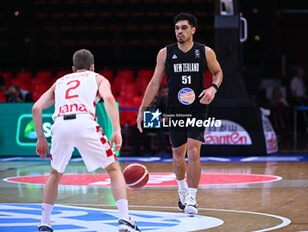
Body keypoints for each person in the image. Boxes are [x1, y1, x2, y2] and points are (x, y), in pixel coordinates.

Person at [32, 49, 140, 232]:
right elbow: (108, 98)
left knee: (55, 174)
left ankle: (44, 222)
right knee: (113, 169)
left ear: (73, 68)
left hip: (59, 125)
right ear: (92, 67)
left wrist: (41, 138)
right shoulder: (98, 78)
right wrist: (116, 130)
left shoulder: (59, 82)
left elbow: (36, 108)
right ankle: (124, 219)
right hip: (84, 121)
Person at [136, 12, 223, 215]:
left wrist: (212, 89)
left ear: (193, 30)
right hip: (174, 110)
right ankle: (182, 189)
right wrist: (142, 108)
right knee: (177, 155)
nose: (180, 31)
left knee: (194, 151)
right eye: (177, 28)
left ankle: (192, 197)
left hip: (197, 109)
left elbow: (218, 72)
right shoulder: (165, 53)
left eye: (184, 28)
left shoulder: (205, 52)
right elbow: (155, 82)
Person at [290, 66, 308, 135]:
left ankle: (304, 130)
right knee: (299, 116)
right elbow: (293, 91)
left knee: (304, 115)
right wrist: (298, 99)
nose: (303, 74)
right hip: (297, 100)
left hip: (303, 99)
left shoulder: (301, 80)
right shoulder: (294, 80)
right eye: (302, 73)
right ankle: (298, 131)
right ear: (298, 73)